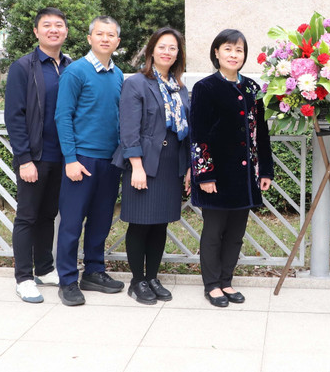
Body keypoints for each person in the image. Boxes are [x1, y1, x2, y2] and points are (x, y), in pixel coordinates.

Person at [190, 29, 273, 308]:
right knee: (213, 231)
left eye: (239, 50)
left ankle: (227, 280)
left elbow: (260, 133)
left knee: (236, 233)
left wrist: (265, 171)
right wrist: (205, 174)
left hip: (245, 177)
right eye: (228, 49)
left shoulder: (251, 88)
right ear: (216, 52)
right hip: (216, 175)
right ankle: (211, 284)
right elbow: (198, 134)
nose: (233, 55)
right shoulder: (205, 87)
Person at [113, 28, 190, 305]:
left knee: (160, 225)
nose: (167, 52)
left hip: (171, 165)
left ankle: (153, 277)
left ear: (178, 54)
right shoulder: (136, 83)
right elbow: (129, 129)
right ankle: (137, 281)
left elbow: (187, 130)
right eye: (162, 47)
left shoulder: (180, 87)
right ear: (151, 51)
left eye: (173, 48)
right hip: (144, 163)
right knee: (140, 223)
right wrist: (137, 166)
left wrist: (189, 168)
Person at [54, 16, 125, 306]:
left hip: (110, 161)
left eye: (111, 35)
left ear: (117, 42)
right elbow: (63, 116)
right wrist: (70, 159)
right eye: (100, 34)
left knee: (101, 221)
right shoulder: (76, 72)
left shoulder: (119, 74)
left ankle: (94, 271)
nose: (105, 39)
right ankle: (68, 279)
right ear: (89, 38)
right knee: (71, 222)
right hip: (81, 159)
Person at [5, 8, 72, 303]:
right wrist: (24, 159)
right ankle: (23, 277)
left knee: (48, 215)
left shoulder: (71, 66)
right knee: (28, 217)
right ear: (36, 32)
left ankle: (45, 268)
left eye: (59, 25)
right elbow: (14, 116)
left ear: (66, 32)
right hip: (35, 156)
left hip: (63, 156)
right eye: (47, 25)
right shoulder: (24, 67)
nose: (53, 30)